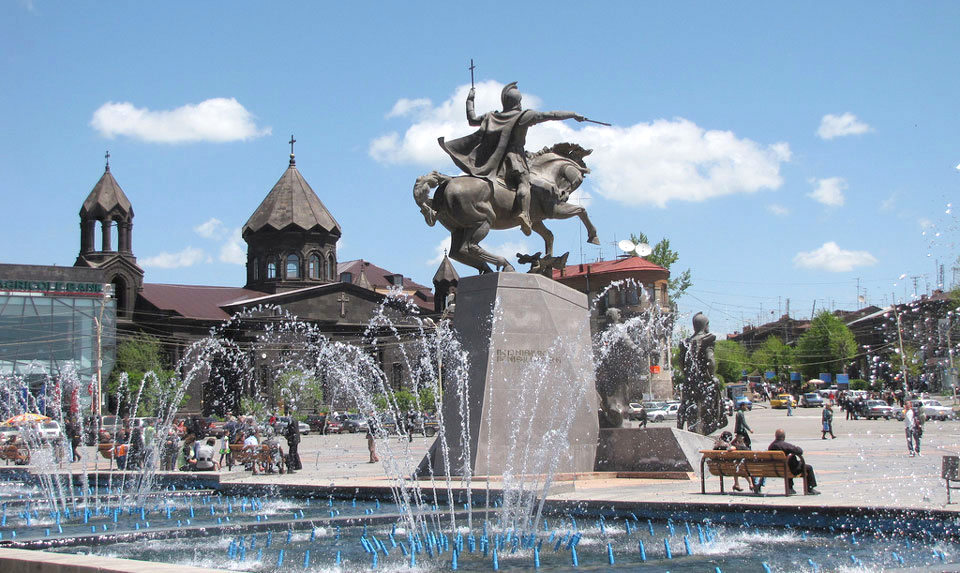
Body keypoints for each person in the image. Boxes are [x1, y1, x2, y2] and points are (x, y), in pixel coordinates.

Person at [438, 82, 587, 236]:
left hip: (494, 161)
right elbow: (550, 115)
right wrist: (573, 114)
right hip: (515, 160)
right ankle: (524, 214)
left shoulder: (492, 116)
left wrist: (470, 101)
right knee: (524, 183)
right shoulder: (523, 116)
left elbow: (472, 119)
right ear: (518, 102)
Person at [768, 429, 819, 495]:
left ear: (775, 436)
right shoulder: (784, 445)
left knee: (787, 465)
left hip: (778, 469)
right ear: (784, 437)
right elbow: (799, 451)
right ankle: (809, 488)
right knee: (808, 468)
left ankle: (790, 488)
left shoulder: (771, 446)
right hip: (790, 469)